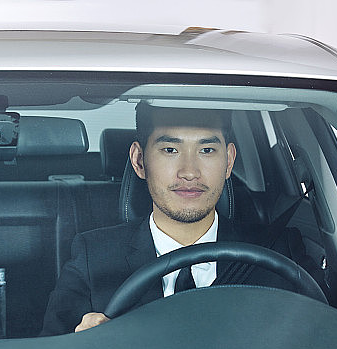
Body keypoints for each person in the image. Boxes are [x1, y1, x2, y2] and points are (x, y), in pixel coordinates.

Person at [41, 102, 318, 336]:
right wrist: (82, 348)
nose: (189, 172)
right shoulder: (92, 258)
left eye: (206, 150)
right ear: (139, 161)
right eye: (170, 150)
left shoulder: (280, 253)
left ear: (229, 161)